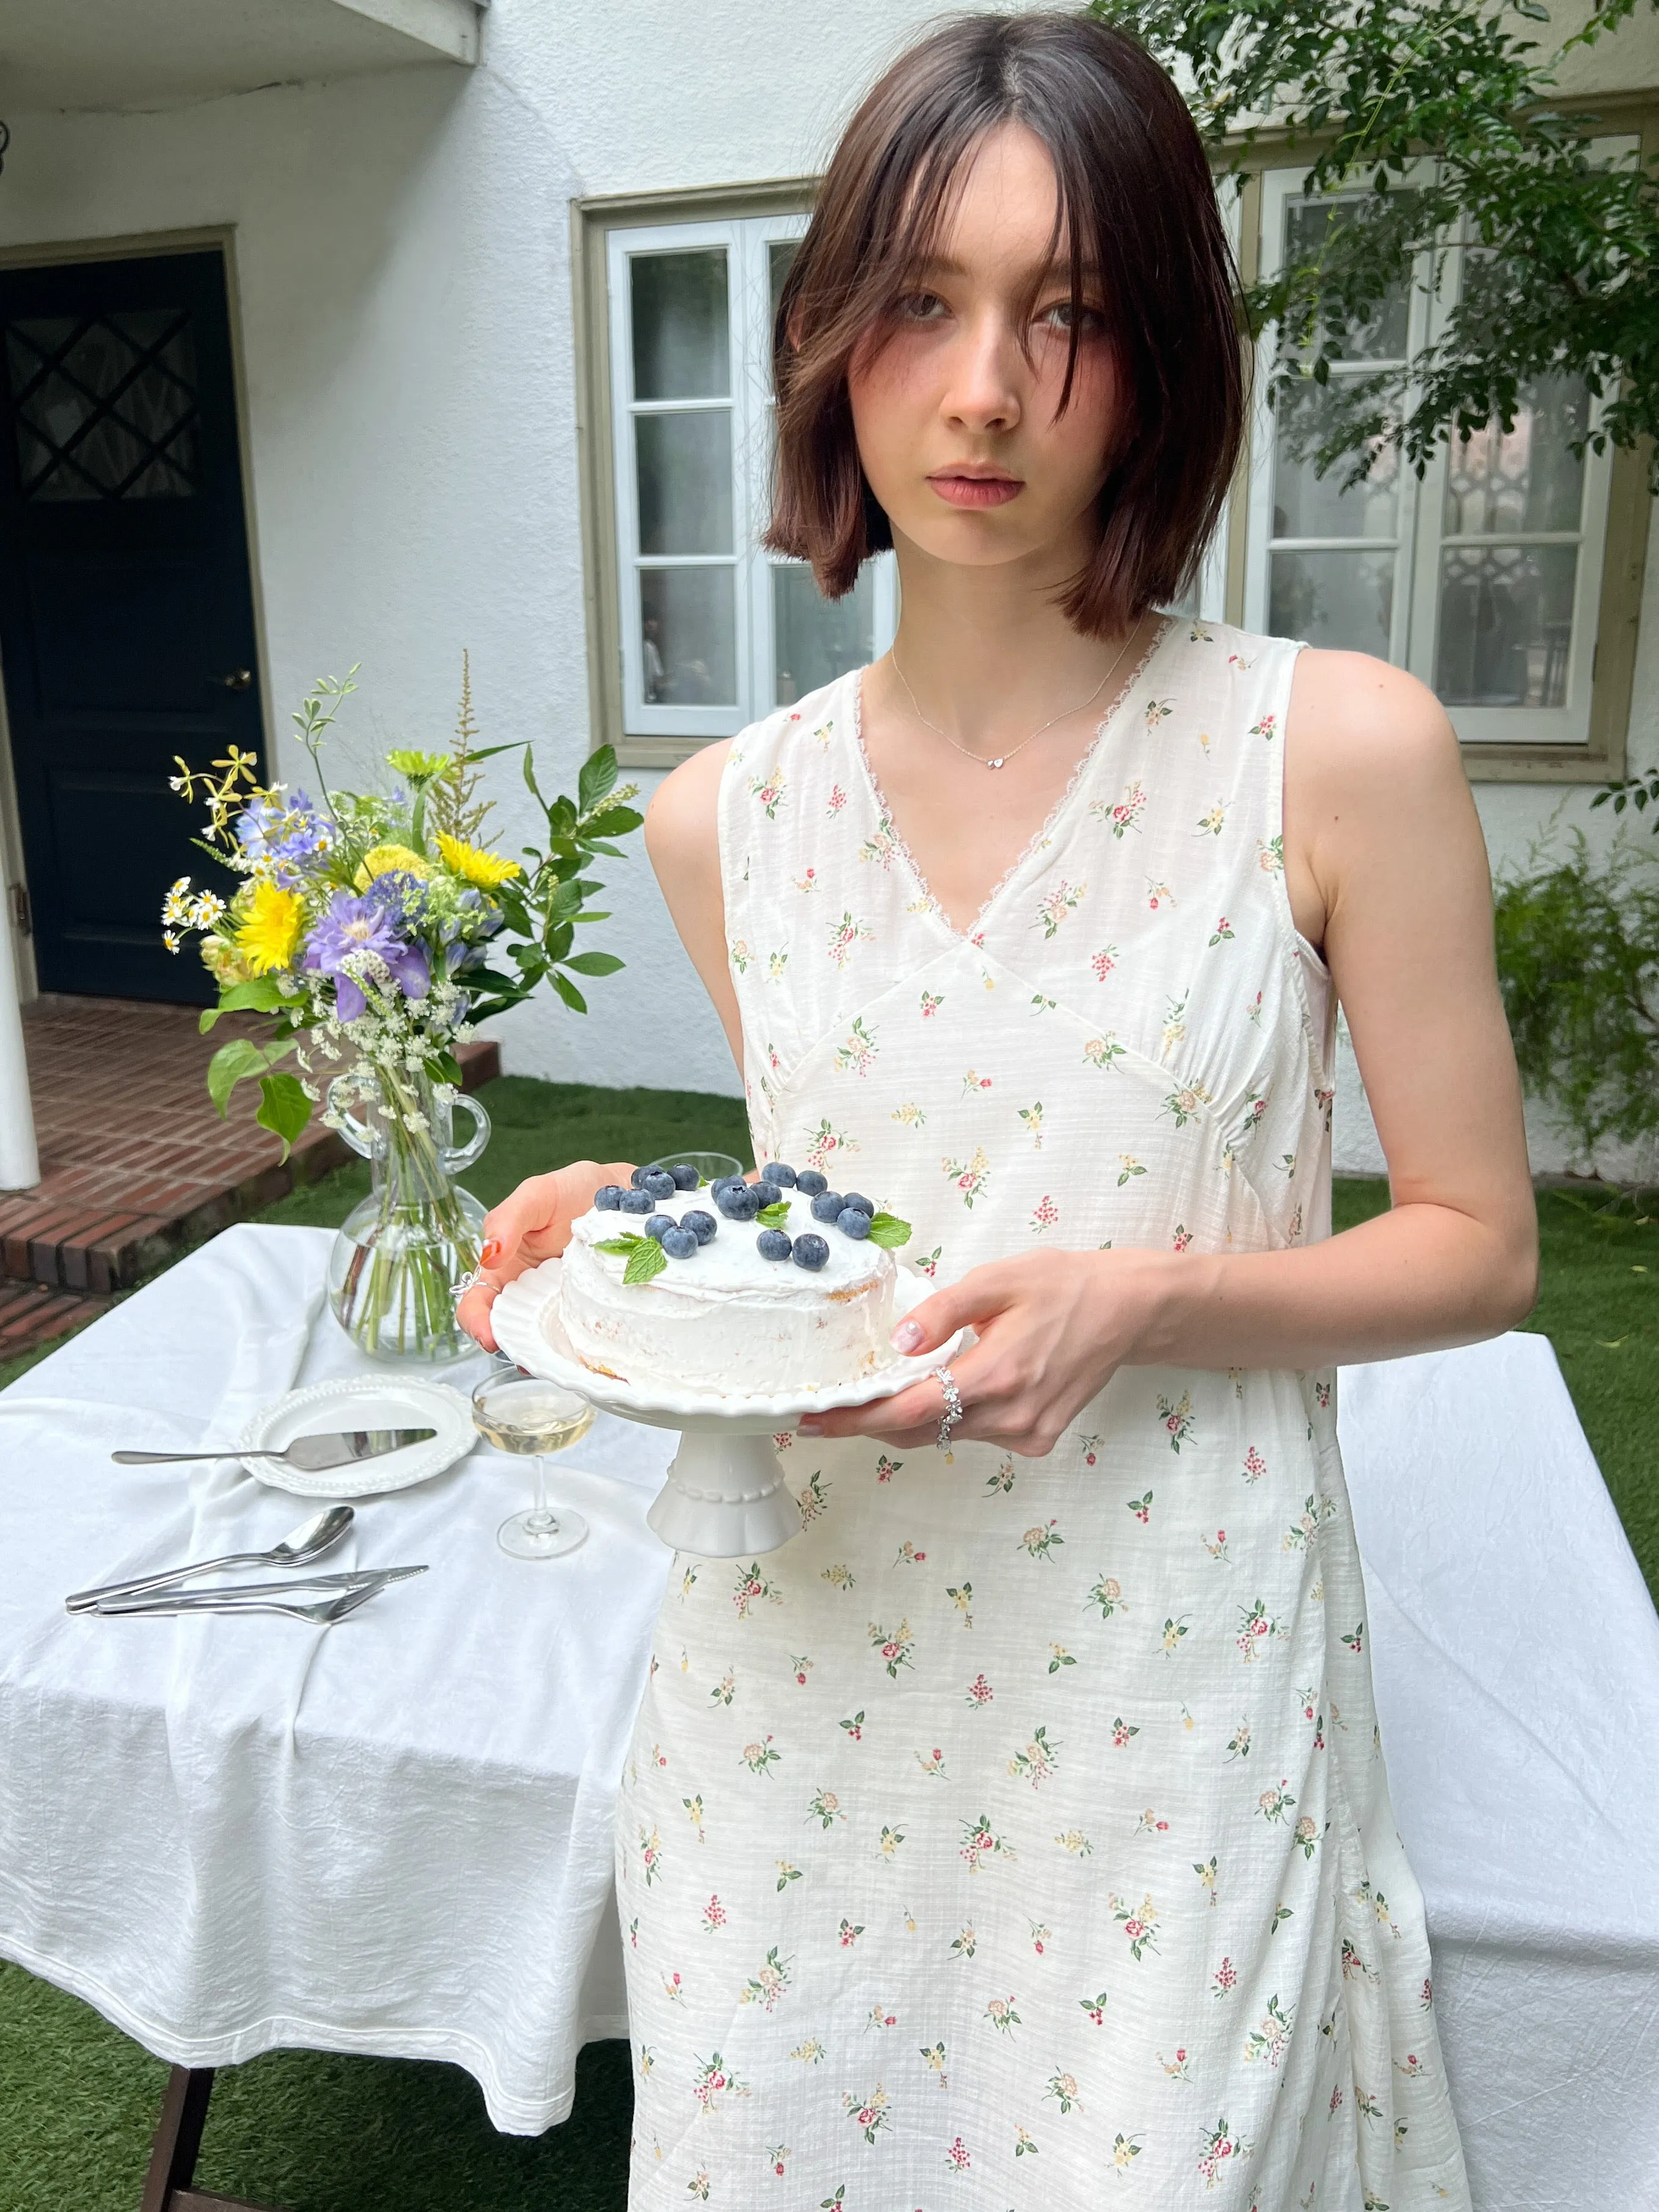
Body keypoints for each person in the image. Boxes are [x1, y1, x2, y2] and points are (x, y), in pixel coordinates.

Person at [460, 15, 1536, 2205]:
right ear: (832, 338)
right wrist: (661, 1223)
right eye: (926, 302)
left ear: (1166, 366)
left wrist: (1142, 1297)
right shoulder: (721, 819)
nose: (983, 390)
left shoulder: (1335, 750)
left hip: (1168, 1675)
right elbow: (865, 1201)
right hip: (801, 1673)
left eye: (1072, 317)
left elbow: (1480, 1244)